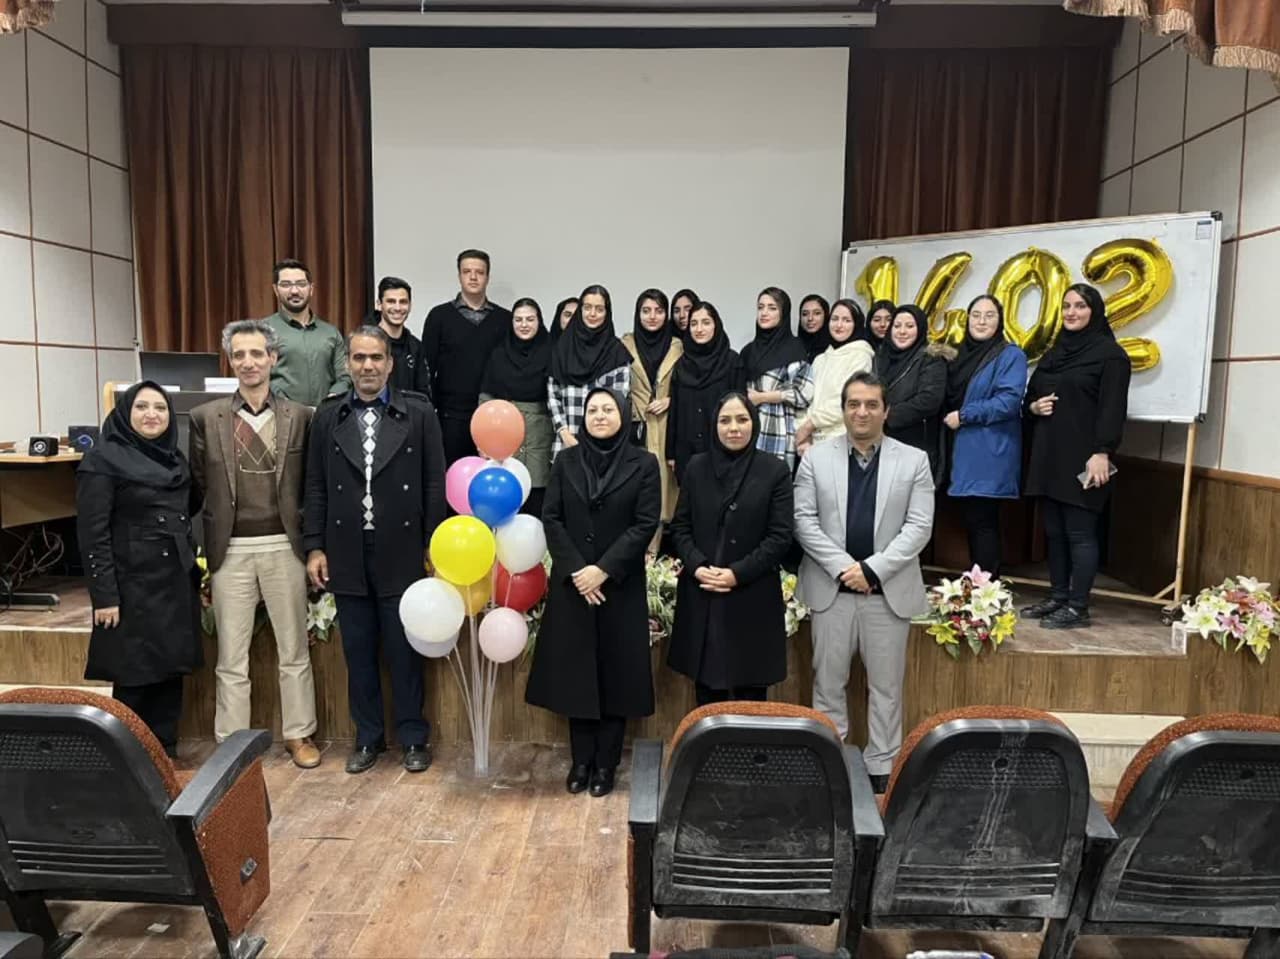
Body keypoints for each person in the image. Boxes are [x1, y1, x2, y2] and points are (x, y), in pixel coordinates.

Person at [303, 326, 448, 773]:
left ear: (390, 363)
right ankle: (367, 739)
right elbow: (315, 486)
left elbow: (434, 482)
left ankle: (413, 737)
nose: (368, 366)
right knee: (359, 652)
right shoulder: (329, 416)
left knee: (404, 653)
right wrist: (314, 546)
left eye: (376, 358)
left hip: (401, 547)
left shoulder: (418, 413)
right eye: (359, 358)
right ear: (348, 363)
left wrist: (432, 543)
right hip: (346, 549)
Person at [794, 371, 934, 792]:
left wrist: (872, 570)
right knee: (827, 683)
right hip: (831, 591)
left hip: (886, 593)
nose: (862, 412)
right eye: (854, 404)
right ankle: (830, 761)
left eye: (872, 404)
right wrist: (845, 568)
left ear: (886, 411)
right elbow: (804, 521)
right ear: (843, 410)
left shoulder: (914, 460)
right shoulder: (815, 458)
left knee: (886, 688)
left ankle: (882, 767)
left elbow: (919, 526)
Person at [190, 320, 320, 768]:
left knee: (294, 650)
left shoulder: (301, 416)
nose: (248, 362)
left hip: (285, 545)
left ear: (273, 359)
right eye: (239, 355)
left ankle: (299, 734)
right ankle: (232, 745)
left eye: (257, 353)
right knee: (231, 655)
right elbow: (198, 486)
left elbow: (310, 486)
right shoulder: (205, 418)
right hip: (231, 549)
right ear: (230, 361)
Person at [527, 388, 661, 798]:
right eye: (592, 410)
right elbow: (552, 518)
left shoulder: (644, 463)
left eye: (608, 409)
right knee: (577, 673)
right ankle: (581, 760)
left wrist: (602, 570)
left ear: (623, 414)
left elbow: (645, 523)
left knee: (616, 675)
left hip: (618, 585)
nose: (599, 416)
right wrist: (577, 571)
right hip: (574, 586)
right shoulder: (566, 461)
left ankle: (606, 763)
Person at [77, 381, 202, 757]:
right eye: (142, 407)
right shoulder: (103, 461)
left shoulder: (174, 459)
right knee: (134, 676)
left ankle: (165, 753)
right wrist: (104, 597)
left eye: (160, 408)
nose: (152, 415)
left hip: (173, 582)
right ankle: (129, 758)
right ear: (125, 413)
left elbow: (187, 509)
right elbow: (93, 535)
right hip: (129, 586)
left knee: (170, 669)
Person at [667, 392, 793, 704]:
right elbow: (680, 527)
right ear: (714, 425)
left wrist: (737, 574)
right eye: (725, 420)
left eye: (741, 419)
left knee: (751, 695)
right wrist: (698, 566)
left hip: (751, 594)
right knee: (708, 694)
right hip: (704, 593)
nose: (733, 428)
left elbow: (780, 536)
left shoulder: (774, 470)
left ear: (754, 423)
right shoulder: (697, 467)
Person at [1022, 284, 1131, 630]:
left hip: (1086, 456)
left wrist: (1102, 451)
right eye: (1067, 306)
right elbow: (1031, 395)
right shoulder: (1055, 353)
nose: (1072, 312)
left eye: (1080, 306)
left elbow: (1113, 409)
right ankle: (1058, 597)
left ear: (1094, 311)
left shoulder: (1111, 356)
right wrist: (1034, 407)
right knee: (1054, 532)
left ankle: (1078, 606)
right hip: (1050, 453)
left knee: (1080, 532)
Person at [941, 295, 1028, 576]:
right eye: (976, 315)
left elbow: (1008, 402)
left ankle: (986, 591)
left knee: (983, 522)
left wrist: (966, 415)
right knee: (973, 520)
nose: (981, 321)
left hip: (989, 450)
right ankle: (978, 587)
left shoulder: (1010, 355)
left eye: (989, 315)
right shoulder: (958, 355)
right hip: (961, 450)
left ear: (1000, 321)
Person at [421, 249, 512, 463]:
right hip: (450, 416)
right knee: (452, 474)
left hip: (493, 415)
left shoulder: (505, 319)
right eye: (467, 271)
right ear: (459, 275)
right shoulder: (439, 317)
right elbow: (426, 368)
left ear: (487, 277)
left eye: (479, 272)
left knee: (490, 473)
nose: (473, 277)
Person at [479, 297, 555, 517]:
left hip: (540, 435)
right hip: (505, 434)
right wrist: (484, 439)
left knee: (538, 496)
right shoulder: (499, 354)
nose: (524, 325)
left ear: (539, 321)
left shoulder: (552, 352)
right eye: (518, 320)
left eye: (530, 319)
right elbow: (486, 397)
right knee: (508, 494)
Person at [622, 288, 683, 552]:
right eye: (646, 311)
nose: (652, 316)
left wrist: (671, 399)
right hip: (636, 426)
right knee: (636, 490)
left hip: (669, 424)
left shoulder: (678, 346)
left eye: (659, 311)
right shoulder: (624, 344)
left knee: (665, 491)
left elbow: (689, 384)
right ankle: (637, 554)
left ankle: (657, 555)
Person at [547, 284, 632, 459]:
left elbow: (617, 403)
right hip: (566, 443)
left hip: (605, 448)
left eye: (599, 309)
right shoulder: (563, 348)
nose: (592, 314)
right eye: (587, 307)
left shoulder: (616, 352)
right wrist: (564, 432)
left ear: (607, 313)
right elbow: (553, 396)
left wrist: (594, 442)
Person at [665, 301, 743, 483]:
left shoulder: (732, 361)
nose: (699, 329)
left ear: (716, 325)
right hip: (686, 451)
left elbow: (741, 410)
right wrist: (671, 453)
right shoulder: (682, 365)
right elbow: (675, 411)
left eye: (706, 322)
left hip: (723, 449)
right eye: (694, 324)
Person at [874, 304, 951, 480]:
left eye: (909, 326)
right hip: (880, 442)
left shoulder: (931, 359)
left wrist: (887, 416)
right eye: (897, 326)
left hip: (914, 444)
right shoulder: (880, 357)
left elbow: (929, 400)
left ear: (921, 328)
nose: (902, 331)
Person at [742, 286, 814, 473]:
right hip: (748, 429)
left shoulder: (795, 348)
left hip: (778, 432)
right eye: (760, 307)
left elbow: (804, 394)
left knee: (774, 481)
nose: (764, 313)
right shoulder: (748, 351)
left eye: (772, 308)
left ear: (783, 313)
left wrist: (764, 397)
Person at [262, 258, 350, 408]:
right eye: (286, 285)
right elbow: (259, 377)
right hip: (280, 415)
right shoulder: (262, 331)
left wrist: (329, 402)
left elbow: (345, 377)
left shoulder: (331, 333)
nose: (294, 291)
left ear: (311, 289)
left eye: (301, 284)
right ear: (276, 290)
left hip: (324, 416)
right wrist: (290, 407)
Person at [795, 299, 876, 456]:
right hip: (811, 442)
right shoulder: (820, 359)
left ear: (856, 324)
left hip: (841, 441)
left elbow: (848, 400)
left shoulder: (861, 356)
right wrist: (804, 433)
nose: (839, 325)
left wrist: (810, 425)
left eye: (846, 320)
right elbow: (807, 398)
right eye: (835, 319)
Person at [368, 276, 432, 398]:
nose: (397, 308)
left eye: (403, 302)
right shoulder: (364, 342)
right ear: (379, 305)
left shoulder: (415, 347)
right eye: (391, 301)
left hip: (409, 410)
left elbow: (423, 394)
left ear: (410, 305)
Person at [798, 293, 831, 362]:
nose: (810, 318)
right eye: (805, 314)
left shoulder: (833, 349)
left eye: (817, 313)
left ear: (826, 316)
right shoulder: (792, 347)